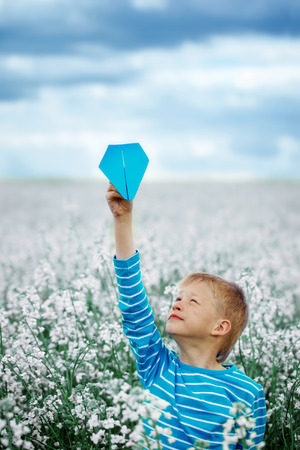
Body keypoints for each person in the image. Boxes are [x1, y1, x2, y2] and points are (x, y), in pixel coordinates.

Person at [106, 182, 267, 450]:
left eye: (193, 301)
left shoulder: (247, 393)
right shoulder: (156, 366)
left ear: (220, 327)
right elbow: (133, 305)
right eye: (178, 298)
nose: (178, 304)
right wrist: (123, 219)